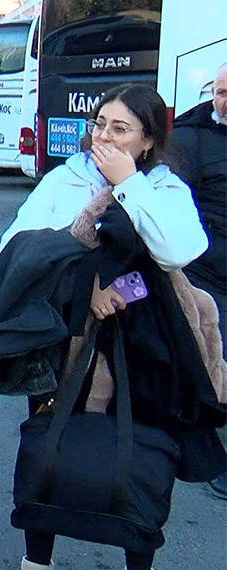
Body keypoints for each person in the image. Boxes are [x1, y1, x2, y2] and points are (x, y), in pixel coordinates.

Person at [0, 83, 219, 570]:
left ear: (148, 139)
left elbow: (178, 251)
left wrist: (129, 184)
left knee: (141, 451)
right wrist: (84, 287)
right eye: (99, 124)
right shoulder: (65, 179)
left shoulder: (164, 187)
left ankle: (137, 556)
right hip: (67, 338)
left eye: (120, 129)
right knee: (51, 442)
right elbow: (15, 248)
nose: (105, 137)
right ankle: (37, 559)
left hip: (148, 346)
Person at [168, 62, 227, 500]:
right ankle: (213, 454)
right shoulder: (188, 140)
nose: (223, 101)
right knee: (217, 361)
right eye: (221, 92)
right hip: (210, 273)